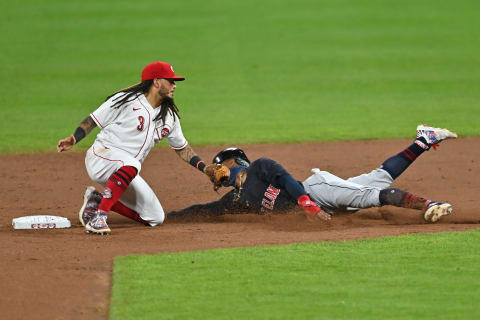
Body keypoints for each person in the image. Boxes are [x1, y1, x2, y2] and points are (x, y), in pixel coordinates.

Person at [167, 125, 457, 222]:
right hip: (319, 204)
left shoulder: (259, 168)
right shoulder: (236, 201)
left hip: (317, 191)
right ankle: (424, 139)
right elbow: (204, 210)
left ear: (235, 162)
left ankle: (428, 205)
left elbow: (288, 181)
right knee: (379, 177)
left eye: (222, 165)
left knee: (372, 197)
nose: (219, 172)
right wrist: (165, 218)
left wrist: (309, 206)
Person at [57, 61, 215, 234]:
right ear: (156, 82)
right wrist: (74, 138)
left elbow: (181, 148)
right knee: (132, 164)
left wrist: (205, 168)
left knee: (155, 217)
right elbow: (93, 119)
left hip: (125, 171)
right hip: (101, 157)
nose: (174, 85)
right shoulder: (126, 101)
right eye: (170, 81)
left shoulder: (169, 115)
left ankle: (96, 200)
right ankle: (99, 217)